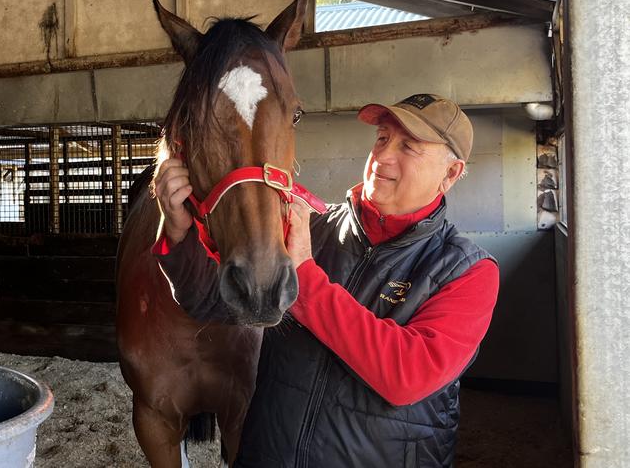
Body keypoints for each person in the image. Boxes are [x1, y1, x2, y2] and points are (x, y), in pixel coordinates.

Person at [153, 93, 499, 467]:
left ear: (450, 174)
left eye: (409, 147)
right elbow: (208, 300)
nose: (381, 157)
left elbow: (408, 376)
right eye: (382, 138)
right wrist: (177, 232)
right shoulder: (312, 228)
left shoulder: (467, 271)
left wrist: (304, 276)